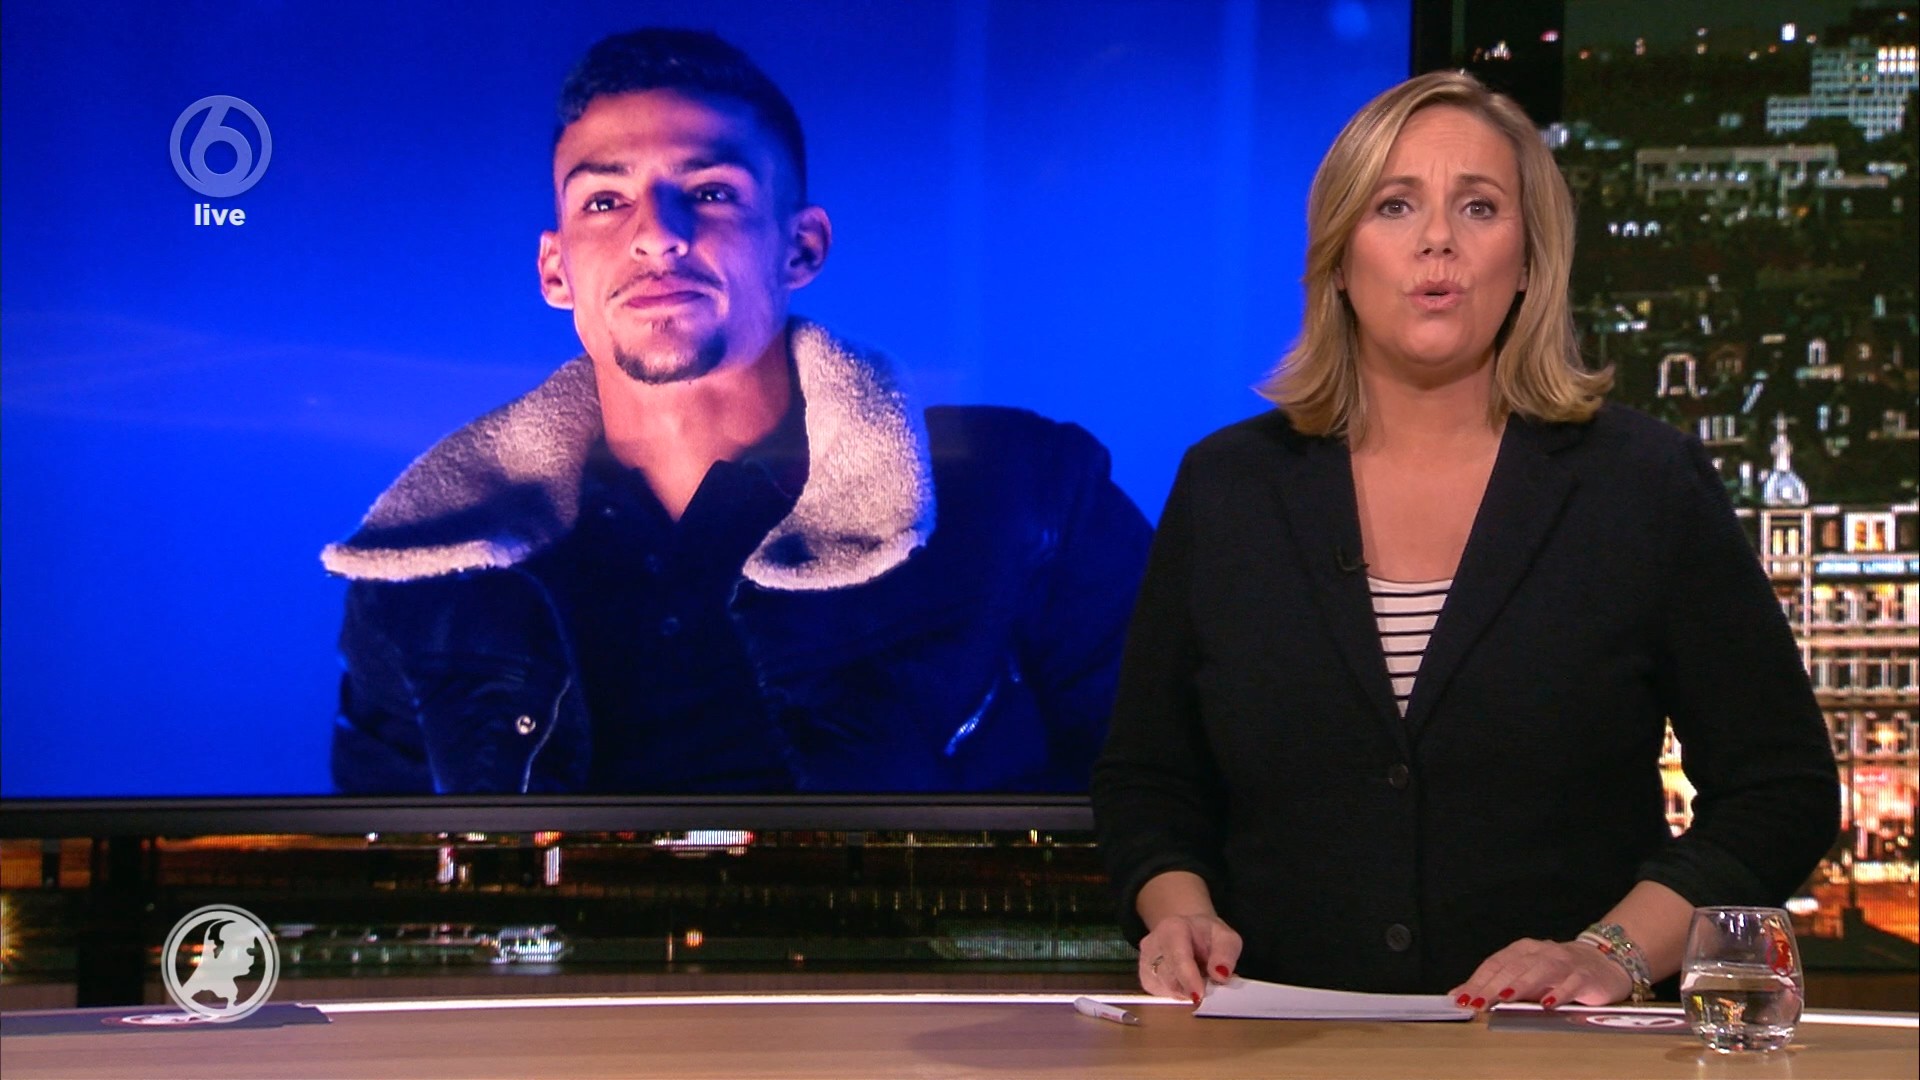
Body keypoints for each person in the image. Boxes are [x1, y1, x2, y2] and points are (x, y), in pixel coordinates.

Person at [1090, 70, 1838, 1010]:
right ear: (1339, 256)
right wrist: (1179, 913)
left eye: (1479, 206)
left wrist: (1609, 953)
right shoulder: (1227, 488)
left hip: (1557, 1054)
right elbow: (1148, 779)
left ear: (1528, 260)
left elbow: (1782, 788)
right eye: (1395, 205)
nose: (1437, 239)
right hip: (1274, 1043)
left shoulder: (1643, 484)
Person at [323, 28, 1149, 795]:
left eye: (711, 191)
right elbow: (377, 876)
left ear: (802, 246)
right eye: (604, 202)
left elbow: (1156, 795)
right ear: (555, 269)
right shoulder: (421, 571)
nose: (658, 236)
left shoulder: (1031, 496)